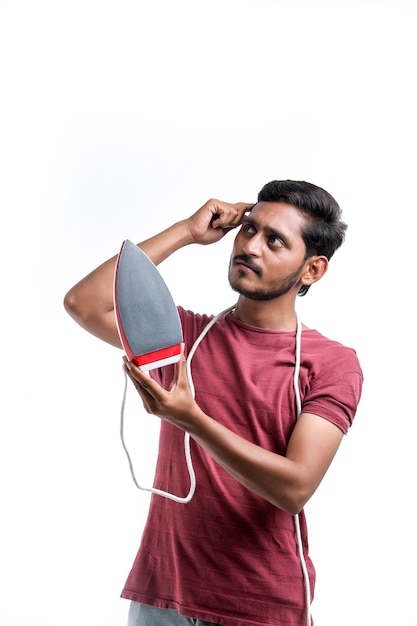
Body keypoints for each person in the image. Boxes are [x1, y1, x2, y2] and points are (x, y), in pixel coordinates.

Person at [63, 179, 363, 626]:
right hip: (160, 597)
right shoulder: (183, 339)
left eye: (274, 240)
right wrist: (186, 231)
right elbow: (85, 304)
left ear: (312, 270)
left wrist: (191, 420)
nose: (251, 247)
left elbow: (295, 487)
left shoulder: (331, 364)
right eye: (249, 229)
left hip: (257, 604)